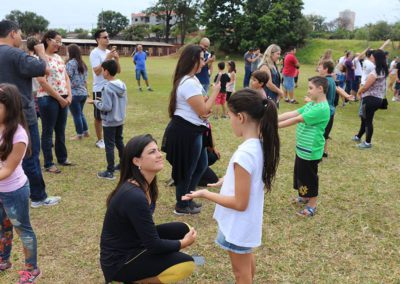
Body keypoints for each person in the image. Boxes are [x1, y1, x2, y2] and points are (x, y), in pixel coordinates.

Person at [183, 89, 280, 283]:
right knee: (246, 264)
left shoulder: (245, 153)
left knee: (240, 274)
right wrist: (226, 180)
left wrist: (205, 194)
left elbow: (240, 203)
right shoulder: (259, 144)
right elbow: (247, 179)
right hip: (243, 222)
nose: (230, 122)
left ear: (241, 117)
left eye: (230, 116)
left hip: (240, 224)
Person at [100, 134, 197, 283]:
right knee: (186, 264)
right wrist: (182, 243)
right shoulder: (133, 195)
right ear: (137, 161)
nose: (159, 155)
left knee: (183, 228)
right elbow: (154, 245)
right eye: (152, 152)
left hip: (136, 242)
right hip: (119, 263)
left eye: (158, 150)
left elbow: (148, 236)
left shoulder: (147, 185)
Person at [0, 20, 60, 207]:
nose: (21, 37)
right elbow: (45, 69)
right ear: (12, 34)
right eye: (19, 33)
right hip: (21, 113)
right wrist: (41, 53)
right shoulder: (16, 54)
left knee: (4, 154)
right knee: (30, 155)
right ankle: (38, 196)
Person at [162, 44, 220, 215]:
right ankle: (181, 205)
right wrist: (216, 92)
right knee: (187, 170)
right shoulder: (188, 83)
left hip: (194, 130)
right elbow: (203, 110)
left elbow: (204, 110)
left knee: (201, 165)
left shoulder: (192, 80)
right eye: (202, 59)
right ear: (193, 60)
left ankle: (188, 198)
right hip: (186, 132)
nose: (204, 62)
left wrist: (206, 105)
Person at [0, 84, 41, 283]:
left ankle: (31, 269)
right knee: (2, 227)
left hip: (14, 192)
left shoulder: (19, 135)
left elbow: (7, 170)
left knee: (22, 229)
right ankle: (3, 260)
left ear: (10, 108)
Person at [278, 76, 330, 217]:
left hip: (310, 150)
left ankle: (312, 204)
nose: (308, 91)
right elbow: (293, 113)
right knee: (301, 174)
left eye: (310, 88)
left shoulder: (321, 108)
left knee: (309, 177)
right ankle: (304, 196)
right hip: (302, 148)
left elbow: (296, 119)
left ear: (320, 89)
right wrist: (273, 118)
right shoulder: (312, 104)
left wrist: (273, 126)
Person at [36, 30, 73, 174]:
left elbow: (66, 78)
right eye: (57, 41)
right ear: (47, 40)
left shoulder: (58, 57)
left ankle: (62, 158)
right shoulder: (40, 58)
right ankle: (48, 163)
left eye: (60, 41)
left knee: (60, 130)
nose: (59, 44)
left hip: (63, 98)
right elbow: (41, 81)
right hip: (47, 98)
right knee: (48, 131)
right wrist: (59, 98)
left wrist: (69, 96)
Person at [89, 60, 127, 180]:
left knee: (109, 146)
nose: (101, 73)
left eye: (103, 70)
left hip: (109, 121)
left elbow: (106, 106)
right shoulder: (122, 84)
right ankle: (124, 164)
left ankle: (110, 171)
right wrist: (97, 99)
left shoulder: (107, 87)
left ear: (106, 71)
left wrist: (95, 101)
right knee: (119, 142)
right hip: (120, 119)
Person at [89, 29, 121, 149]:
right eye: (105, 37)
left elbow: (118, 71)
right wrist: (107, 58)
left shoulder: (109, 52)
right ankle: (100, 140)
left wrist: (116, 59)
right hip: (98, 89)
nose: (108, 39)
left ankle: (110, 138)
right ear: (98, 39)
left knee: (111, 113)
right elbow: (97, 72)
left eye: (108, 36)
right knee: (98, 116)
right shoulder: (95, 53)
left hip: (110, 88)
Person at [317, 60, 354, 158]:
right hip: (331, 111)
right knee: (326, 132)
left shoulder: (325, 82)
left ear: (325, 69)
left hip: (325, 111)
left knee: (321, 132)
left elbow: (320, 98)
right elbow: (338, 88)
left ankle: (319, 153)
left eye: (320, 67)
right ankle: (324, 152)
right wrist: (347, 95)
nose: (318, 69)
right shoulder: (331, 80)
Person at [353, 49, 388, 149]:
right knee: (365, 119)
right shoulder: (383, 70)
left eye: (373, 56)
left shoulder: (375, 72)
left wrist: (359, 92)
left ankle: (367, 143)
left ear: (376, 58)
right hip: (378, 99)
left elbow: (366, 87)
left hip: (370, 99)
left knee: (367, 121)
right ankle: (358, 136)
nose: (371, 57)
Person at [66, 44, 89, 140]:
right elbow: (85, 80)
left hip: (74, 93)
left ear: (71, 52)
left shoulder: (71, 63)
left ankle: (79, 134)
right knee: (80, 113)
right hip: (83, 92)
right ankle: (85, 131)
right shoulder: (83, 63)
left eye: (67, 51)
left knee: (76, 115)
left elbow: (66, 76)